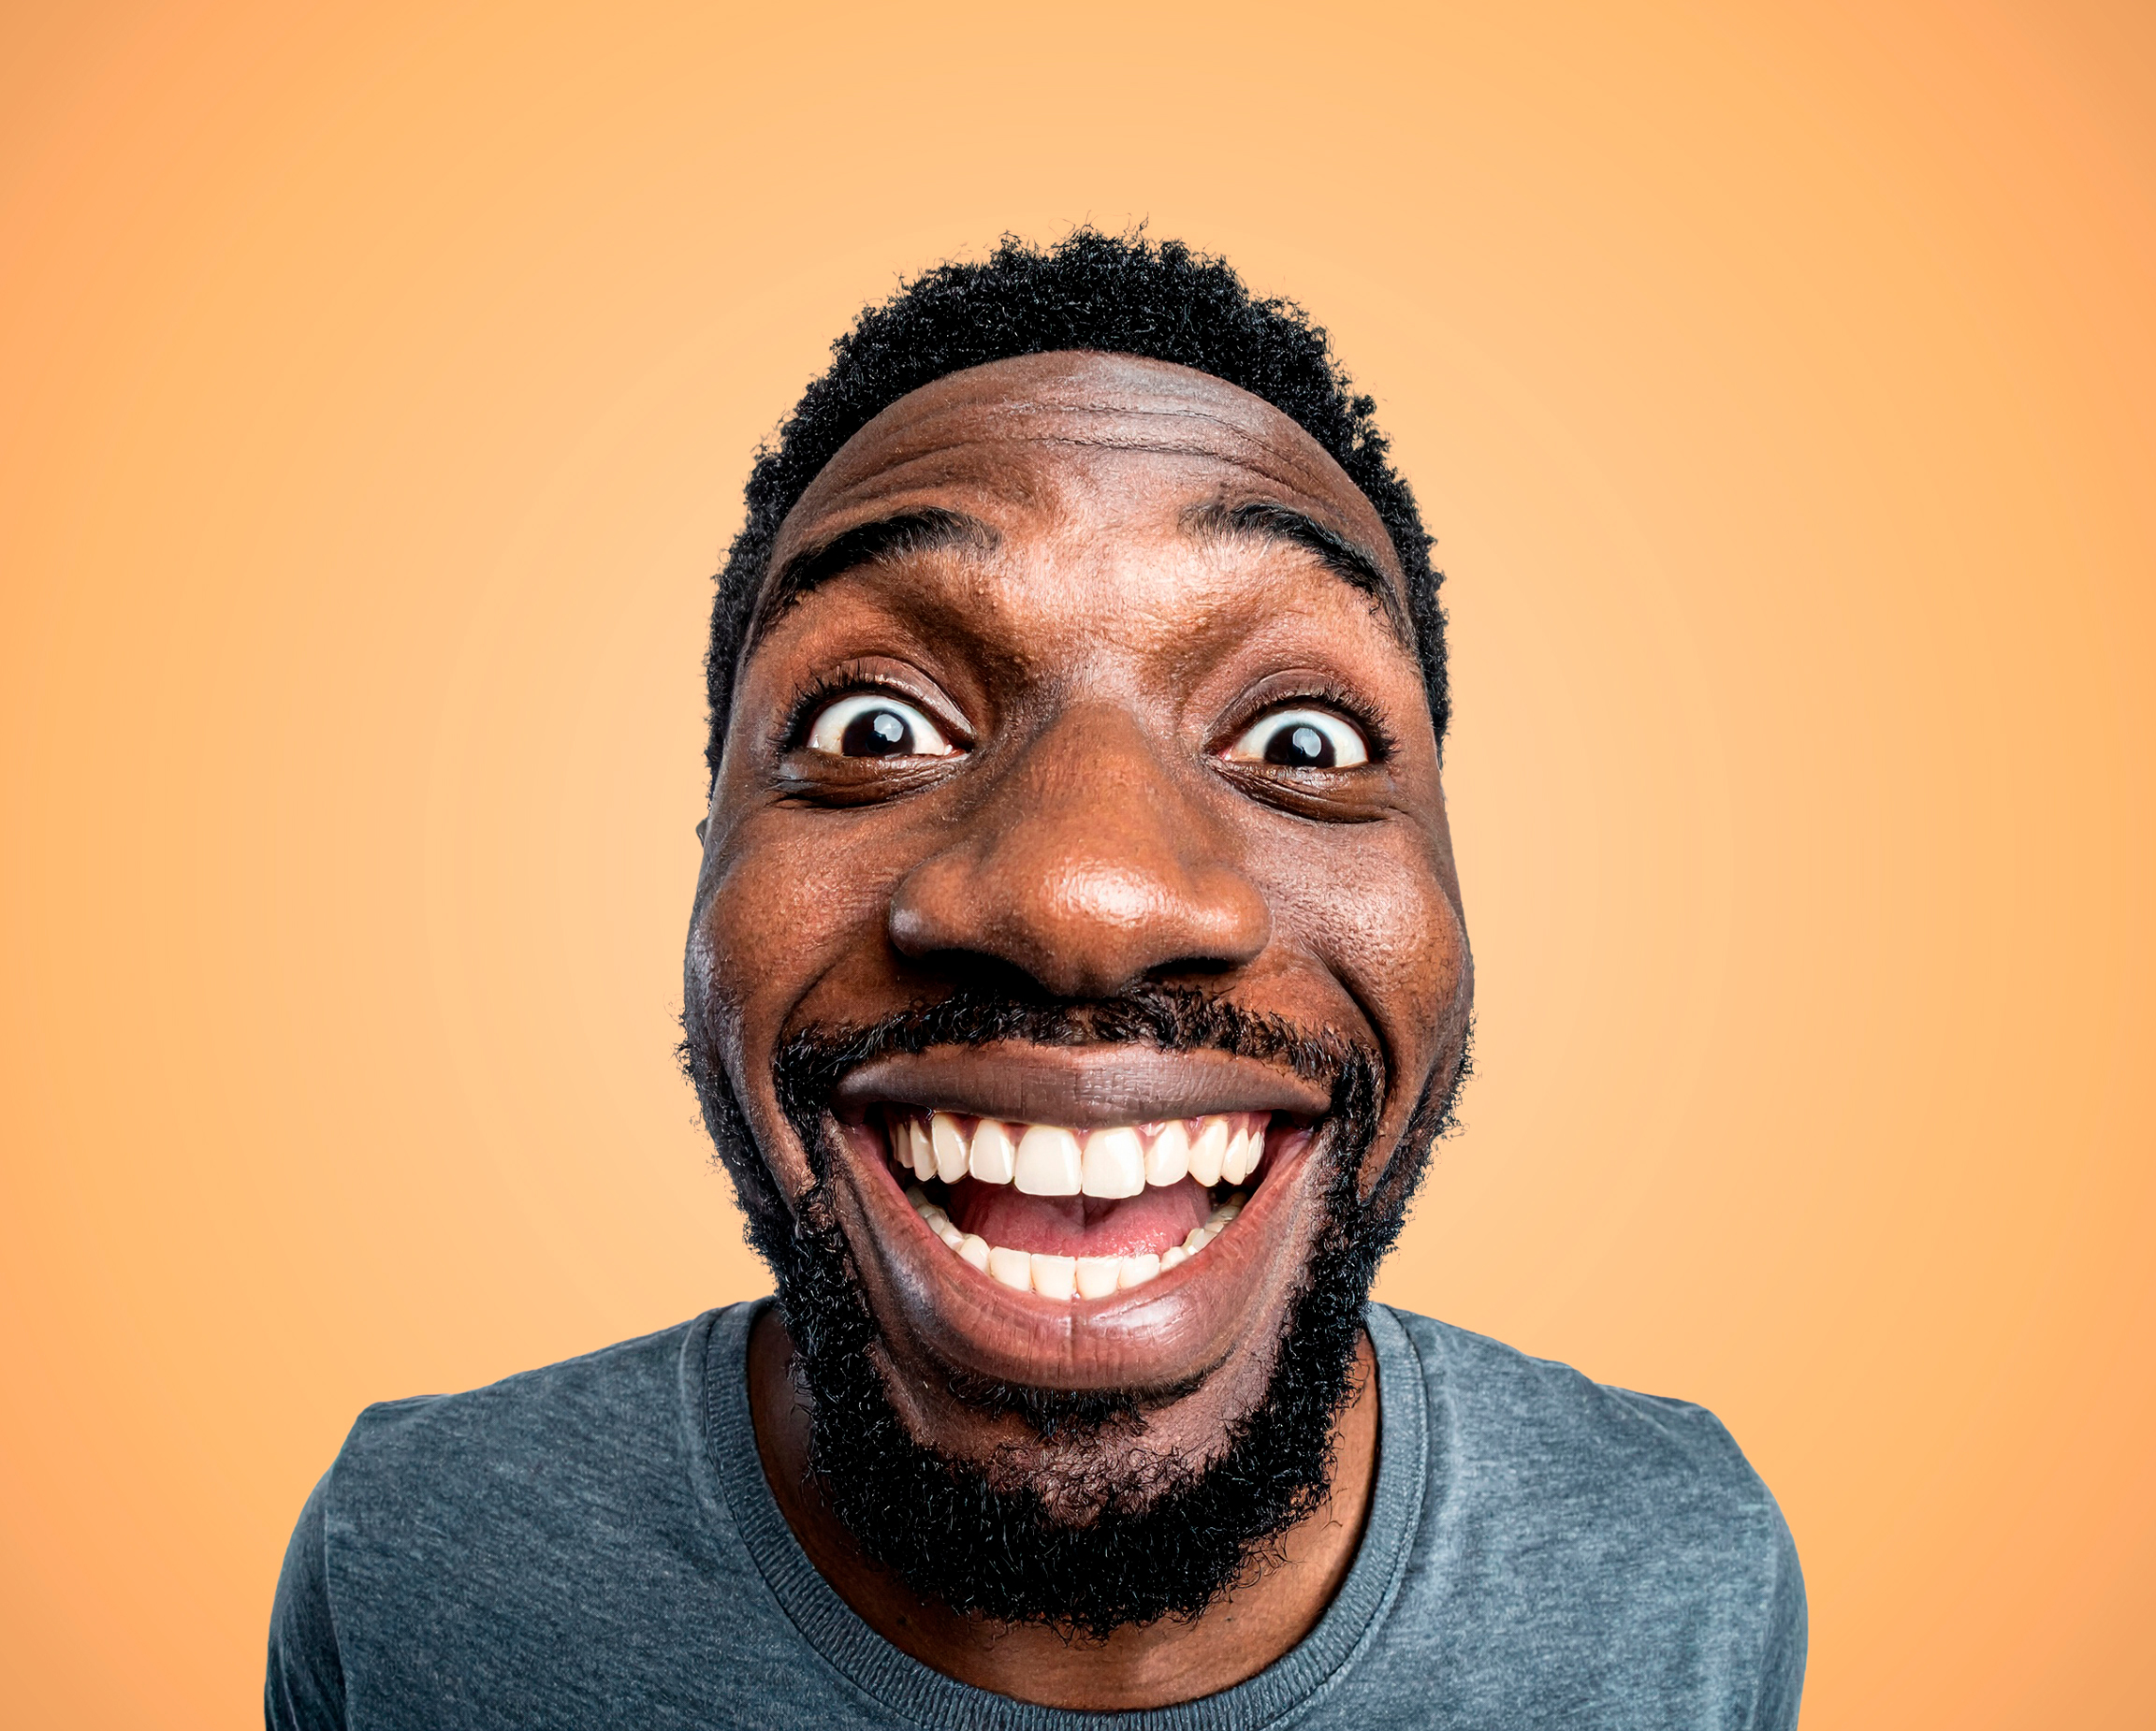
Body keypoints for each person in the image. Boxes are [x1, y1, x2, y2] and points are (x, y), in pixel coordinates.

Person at [266, 231, 1805, 1728]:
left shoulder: (1687, 1579)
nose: (1088, 891)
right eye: (877, 726)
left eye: (1303, 744)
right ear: (707, 848)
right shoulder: (412, 1574)